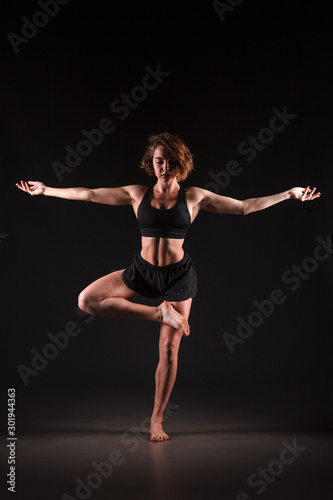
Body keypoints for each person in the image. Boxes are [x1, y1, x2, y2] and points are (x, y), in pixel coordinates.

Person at [16, 132, 321, 441]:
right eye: (159, 161)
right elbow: (88, 194)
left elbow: (244, 206)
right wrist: (46, 191)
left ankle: (156, 420)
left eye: (172, 162)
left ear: (181, 164)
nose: (165, 167)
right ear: (152, 162)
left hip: (178, 276)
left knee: (169, 349)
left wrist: (290, 194)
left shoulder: (194, 197)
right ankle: (158, 313)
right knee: (87, 300)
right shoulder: (137, 194)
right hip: (142, 271)